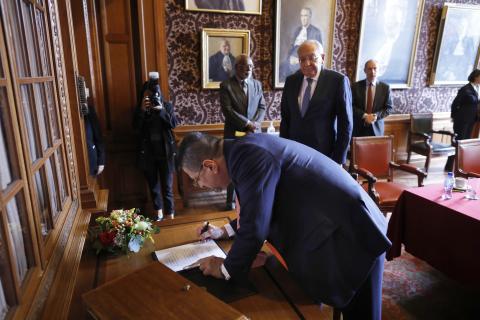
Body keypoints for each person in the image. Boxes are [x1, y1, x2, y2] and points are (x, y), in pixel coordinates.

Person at [177, 132, 391, 320]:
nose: (201, 186)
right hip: (334, 224)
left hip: (351, 231)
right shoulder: (241, 152)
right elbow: (258, 207)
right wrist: (223, 231)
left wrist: (224, 269)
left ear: (209, 165)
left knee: (362, 314)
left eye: (196, 179)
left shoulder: (248, 157)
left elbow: (255, 226)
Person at [280, 40, 352, 165]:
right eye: (302, 59)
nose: (307, 63)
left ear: (322, 58)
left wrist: (338, 160)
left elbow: (345, 124)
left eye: (312, 58)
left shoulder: (337, 81)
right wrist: (283, 151)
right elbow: (286, 119)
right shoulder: (291, 81)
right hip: (294, 153)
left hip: (324, 154)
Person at [220, 54, 266, 210]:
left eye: (251, 66)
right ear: (236, 67)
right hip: (234, 134)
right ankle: (230, 201)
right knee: (234, 167)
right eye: (245, 66)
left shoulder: (257, 84)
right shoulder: (226, 85)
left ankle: (249, 198)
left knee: (252, 167)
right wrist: (247, 123)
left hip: (254, 134)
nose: (249, 69)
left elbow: (262, 107)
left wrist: (256, 124)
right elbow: (228, 110)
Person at [133, 72, 177, 221]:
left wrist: (162, 111)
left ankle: (170, 214)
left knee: (167, 188)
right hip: (148, 154)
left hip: (165, 153)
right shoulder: (141, 110)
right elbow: (136, 129)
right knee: (154, 187)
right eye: (147, 96)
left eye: (154, 95)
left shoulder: (167, 106)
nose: (151, 99)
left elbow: (173, 124)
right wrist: (141, 111)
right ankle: (158, 212)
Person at [445, 69, 480, 171]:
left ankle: (460, 167)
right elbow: (455, 104)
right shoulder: (465, 89)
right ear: (476, 77)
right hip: (461, 121)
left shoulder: (477, 88)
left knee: (465, 144)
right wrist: (454, 117)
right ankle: (449, 166)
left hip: (471, 121)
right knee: (458, 143)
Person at [279, 7, 323, 82]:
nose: (303, 18)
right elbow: (291, 48)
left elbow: (318, 53)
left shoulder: (316, 32)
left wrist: (299, 60)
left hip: (303, 61)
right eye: (302, 16)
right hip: (293, 59)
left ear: (310, 17)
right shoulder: (297, 30)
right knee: (282, 67)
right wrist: (289, 58)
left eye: (306, 16)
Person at [351, 59, 393, 137]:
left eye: (375, 68)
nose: (372, 71)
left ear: (378, 70)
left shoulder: (385, 88)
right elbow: (351, 106)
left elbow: (389, 108)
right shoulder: (355, 86)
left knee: (376, 149)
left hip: (377, 129)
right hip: (358, 128)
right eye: (369, 69)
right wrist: (365, 116)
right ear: (365, 70)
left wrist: (375, 116)